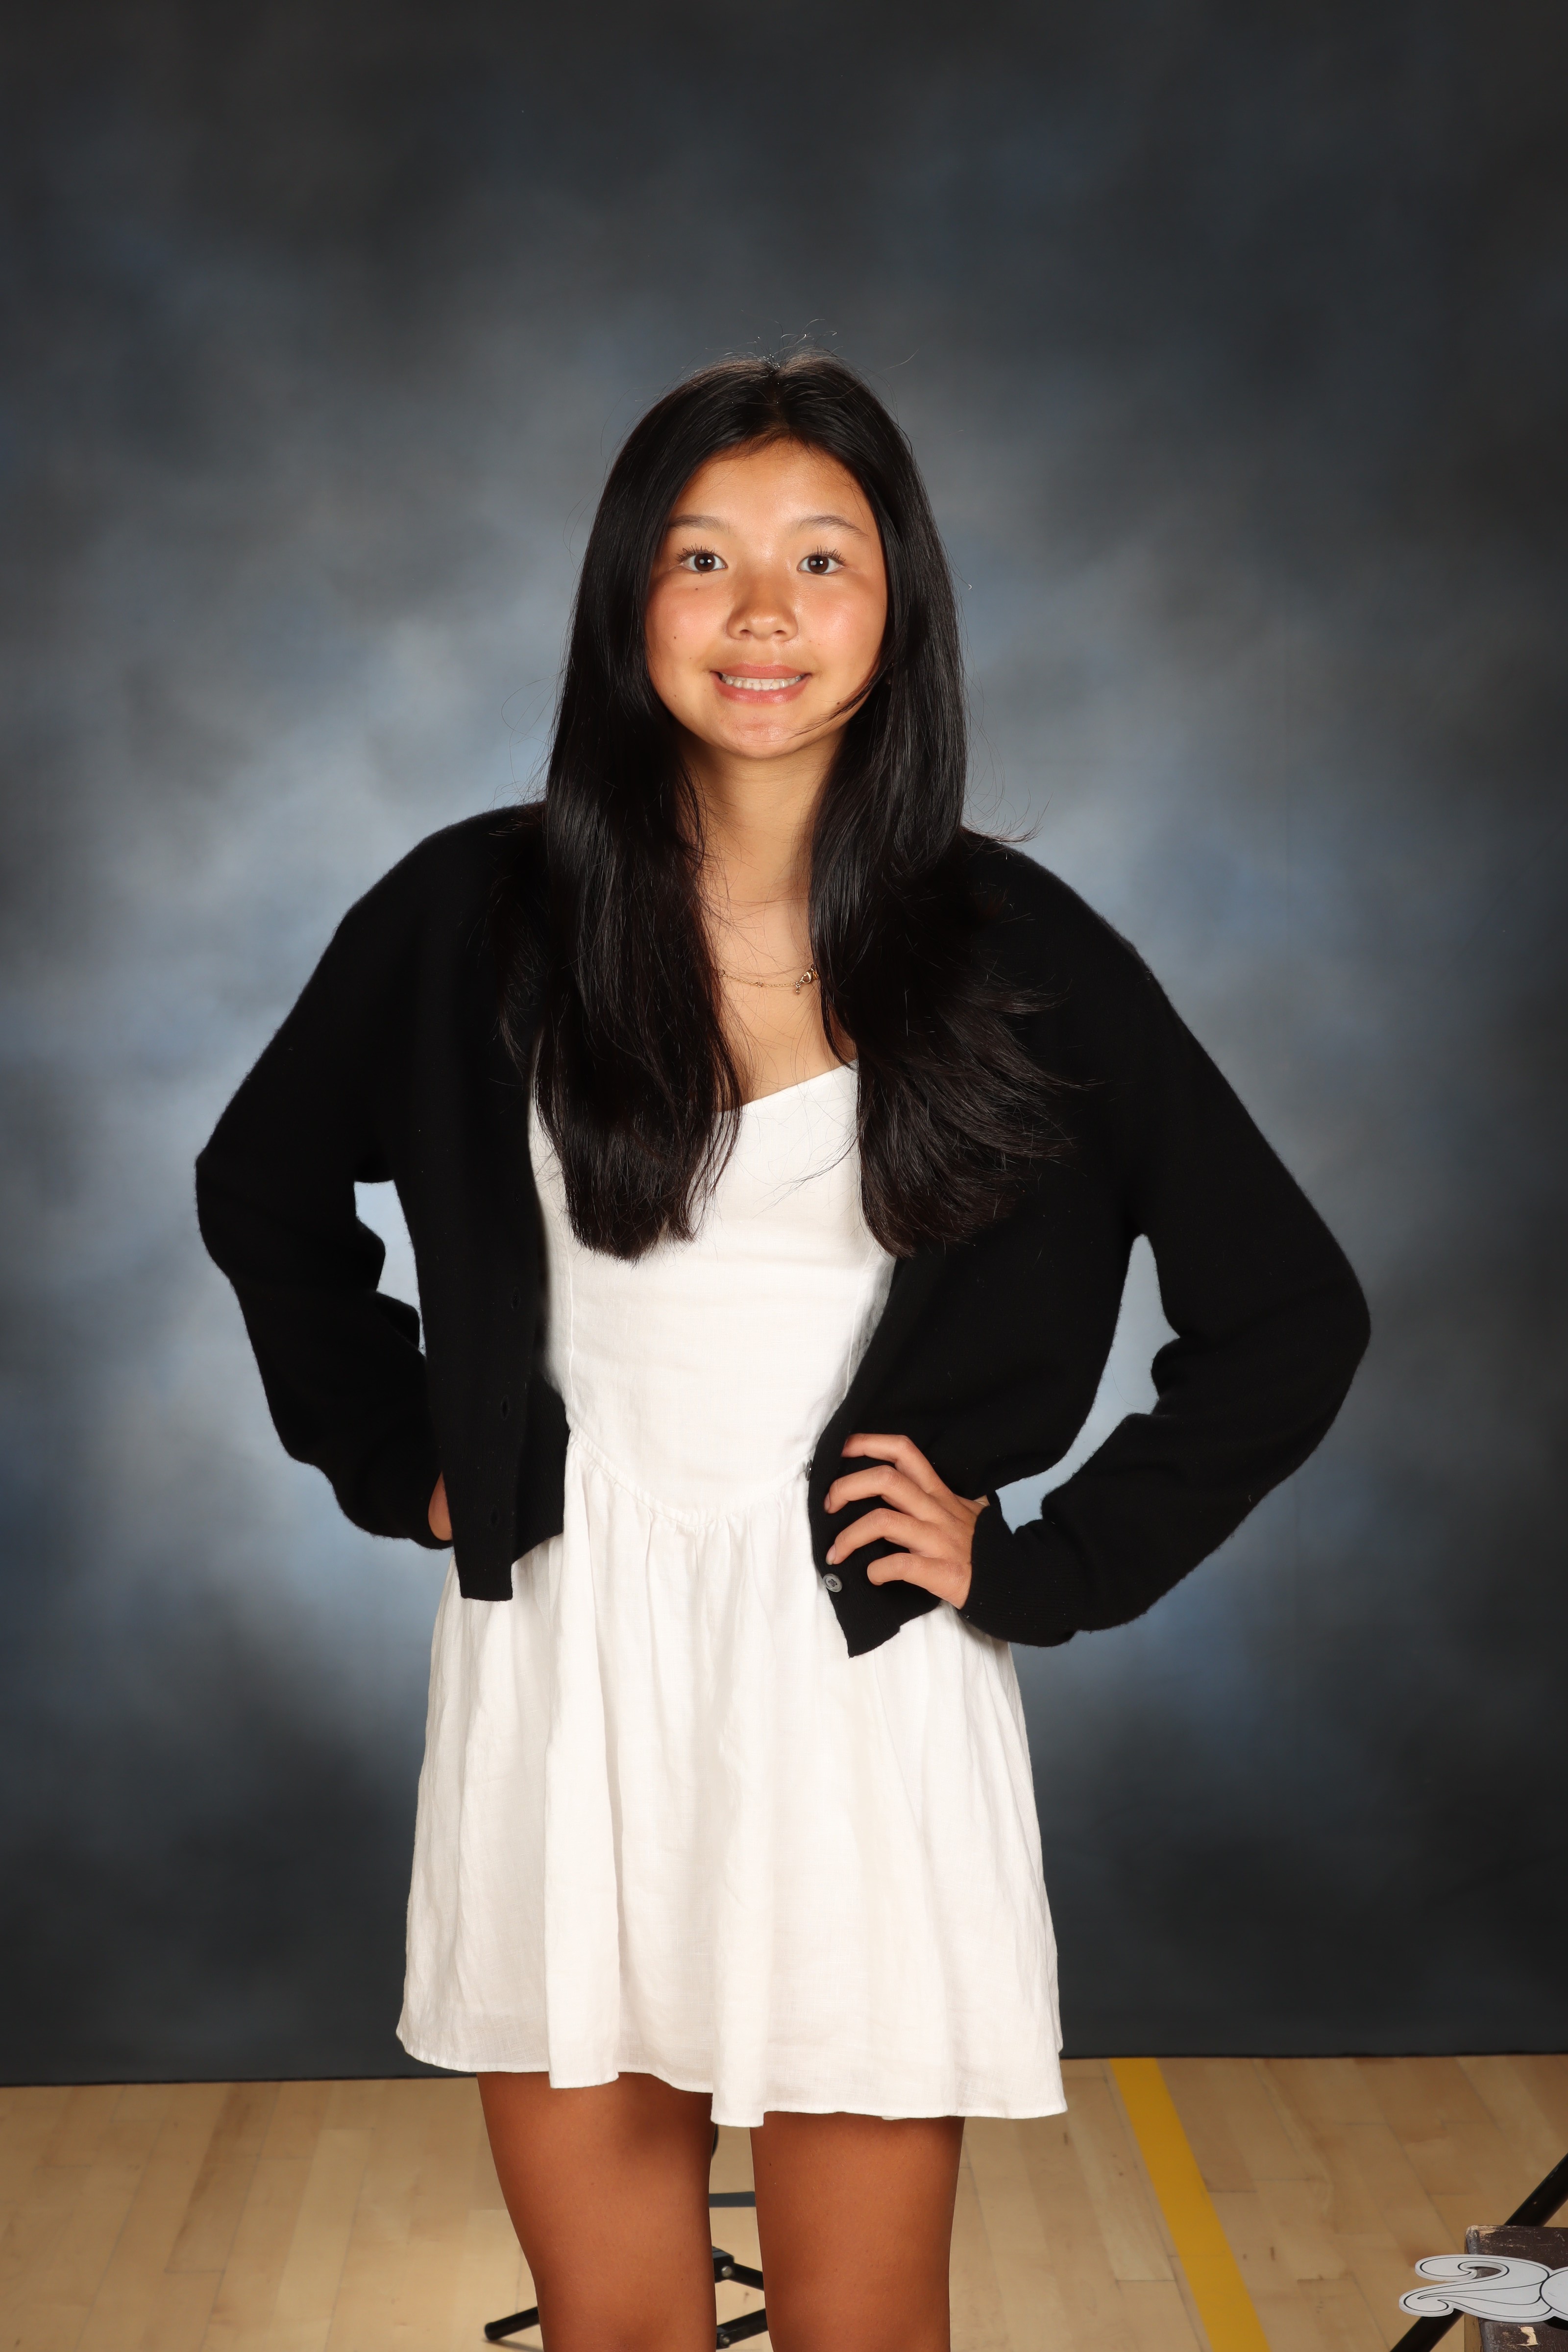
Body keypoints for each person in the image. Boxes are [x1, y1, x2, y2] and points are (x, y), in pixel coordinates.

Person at [195, 351, 1370, 2352]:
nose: (761, 615)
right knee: (615, 2330)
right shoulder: (471, 912)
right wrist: (400, 1458)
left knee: (861, 2333)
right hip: (564, 1668)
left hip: (859, 1689)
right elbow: (265, 1190)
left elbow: (1288, 1315)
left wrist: (1047, 1564)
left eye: (821, 559)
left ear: (895, 604)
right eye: (702, 559)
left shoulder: (1017, 952)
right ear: (624, 598)